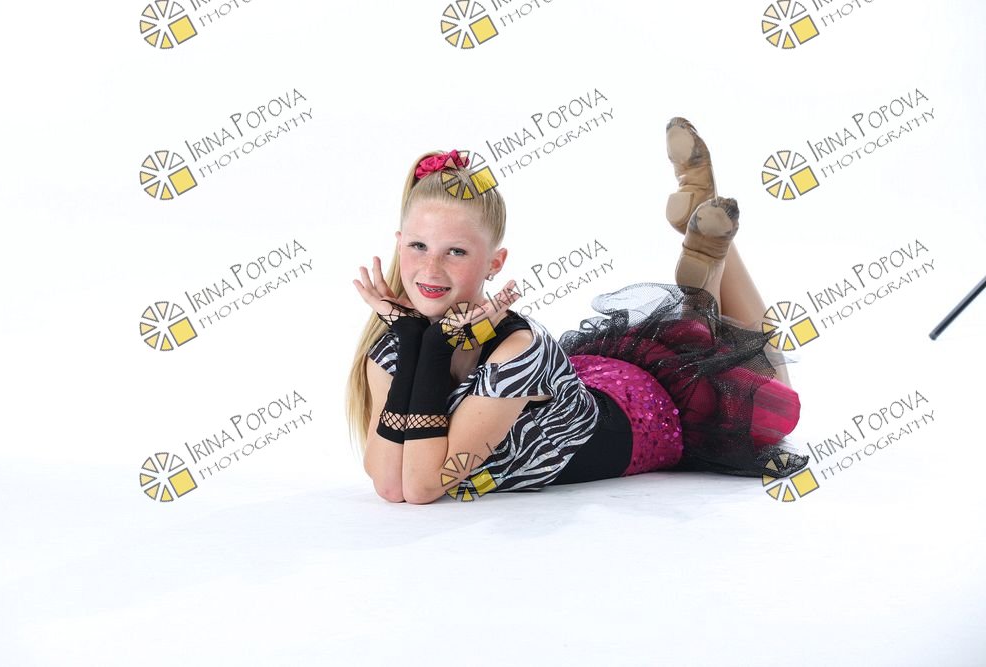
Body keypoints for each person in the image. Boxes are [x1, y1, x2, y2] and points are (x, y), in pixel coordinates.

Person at [346, 118, 810, 504]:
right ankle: (706, 247)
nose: (431, 268)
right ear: (399, 244)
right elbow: (390, 483)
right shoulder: (394, 345)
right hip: (593, 379)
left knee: (766, 400)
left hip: (648, 414)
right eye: (419, 246)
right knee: (702, 344)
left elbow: (423, 486)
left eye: (456, 252)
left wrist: (427, 346)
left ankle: (713, 254)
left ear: (495, 263)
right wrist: (414, 339)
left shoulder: (518, 352)